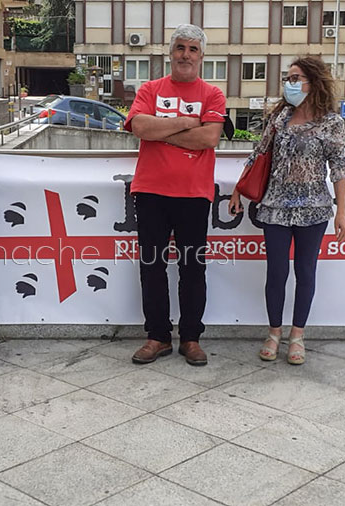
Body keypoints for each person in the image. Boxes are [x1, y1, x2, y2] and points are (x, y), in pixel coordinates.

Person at [229, 56, 345, 365]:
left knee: (305, 271)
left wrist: (341, 213)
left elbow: (338, 168)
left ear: (314, 82)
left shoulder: (331, 121)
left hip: (313, 208)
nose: (290, 83)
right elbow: (258, 154)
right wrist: (237, 190)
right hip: (275, 206)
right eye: (288, 77)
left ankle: (297, 335)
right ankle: (274, 332)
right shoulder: (280, 117)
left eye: (296, 78)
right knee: (276, 272)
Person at [124, 24, 226, 367]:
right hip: (150, 191)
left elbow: (209, 138)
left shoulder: (213, 94)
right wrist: (186, 122)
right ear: (171, 53)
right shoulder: (150, 88)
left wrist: (162, 131)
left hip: (194, 195)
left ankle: (191, 339)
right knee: (152, 267)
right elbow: (139, 127)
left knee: (192, 268)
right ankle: (157, 337)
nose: (185, 54)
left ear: (202, 56)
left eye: (193, 49)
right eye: (180, 47)